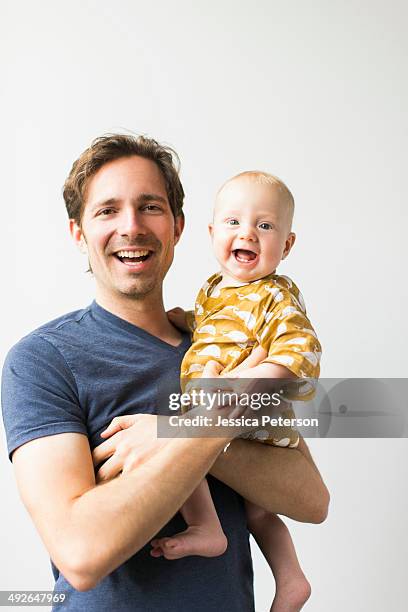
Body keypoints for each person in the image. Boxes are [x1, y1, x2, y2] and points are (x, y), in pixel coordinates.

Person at [1, 134, 329, 612]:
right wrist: (206, 430)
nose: (131, 226)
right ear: (78, 234)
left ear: (178, 227)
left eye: (150, 207)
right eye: (107, 210)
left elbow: (311, 501)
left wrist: (175, 432)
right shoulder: (44, 359)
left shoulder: (224, 345)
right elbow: (81, 553)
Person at [152, 171, 321, 612]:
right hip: (229, 407)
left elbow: (299, 350)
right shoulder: (212, 289)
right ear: (211, 233)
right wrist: (185, 320)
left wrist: (242, 389)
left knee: (182, 444)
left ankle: (206, 527)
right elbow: (216, 328)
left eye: (264, 226)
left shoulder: (275, 296)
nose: (247, 232)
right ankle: (291, 578)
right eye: (233, 222)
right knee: (259, 510)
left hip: (249, 407)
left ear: (286, 246)